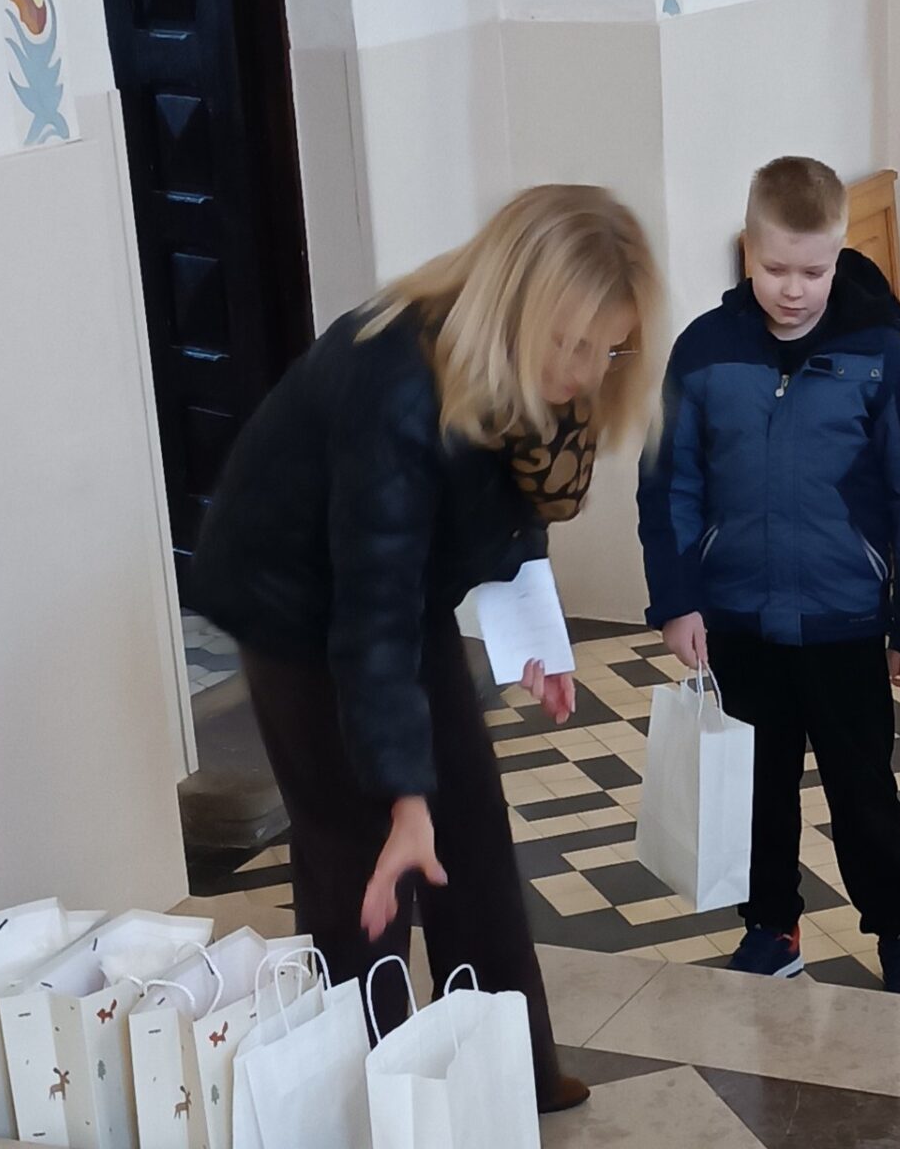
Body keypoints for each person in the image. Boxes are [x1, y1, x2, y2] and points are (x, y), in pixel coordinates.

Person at [192, 184, 668, 1118]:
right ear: (517, 304)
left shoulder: (520, 371)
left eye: (607, 348)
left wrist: (533, 633)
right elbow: (370, 619)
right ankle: (367, 1099)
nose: (584, 371)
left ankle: (505, 1071)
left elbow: (501, 508)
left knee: (472, 829)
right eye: (570, 344)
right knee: (364, 855)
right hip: (295, 604)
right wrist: (405, 803)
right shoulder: (395, 384)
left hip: (391, 592)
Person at [638, 156, 900, 998]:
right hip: (738, 619)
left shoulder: (878, 355)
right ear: (748, 248)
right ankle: (771, 927)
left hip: (847, 621)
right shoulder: (703, 351)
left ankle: (899, 934)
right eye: (776, 268)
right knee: (756, 791)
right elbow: (668, 483)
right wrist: (677, 600)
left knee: (864, 793)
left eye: (815, 271)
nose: (794, 289)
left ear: (840, 254)